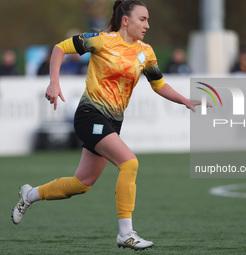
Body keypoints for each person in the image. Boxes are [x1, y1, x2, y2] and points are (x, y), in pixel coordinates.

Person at [11, 0, 203, 251]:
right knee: (130, 162)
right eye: (142, 19)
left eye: (148, 20)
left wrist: (185, 100)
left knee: (82, 183)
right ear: (126, 21)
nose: (147, 24)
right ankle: (126, 233)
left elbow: (158, 85)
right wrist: (54, 83)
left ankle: (30, 195)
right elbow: (60, 48)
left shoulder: (146, 52)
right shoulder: (102, 40)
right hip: (90, 115)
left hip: (112, 121)